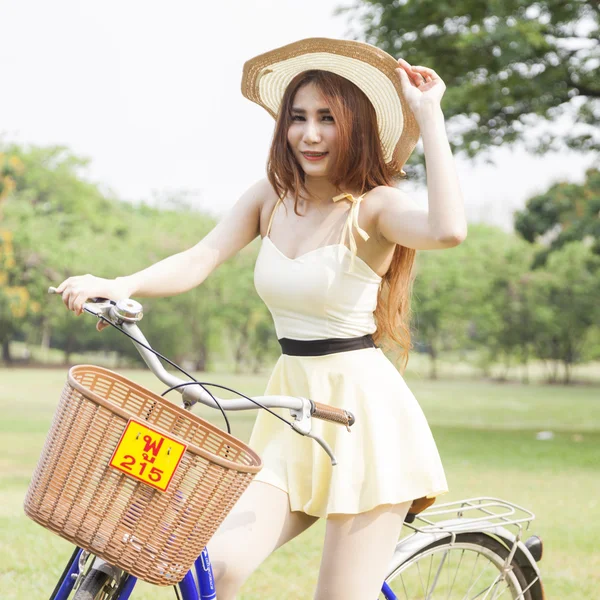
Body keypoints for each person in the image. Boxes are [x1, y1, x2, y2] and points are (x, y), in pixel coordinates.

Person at [56, 38, 466, 600]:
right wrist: (121, 283)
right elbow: (199, 258)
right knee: (214, 569)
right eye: (298, 118)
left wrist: (429, 116)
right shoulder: (272, 197)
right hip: (288, 415)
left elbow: (448, 230)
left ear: (357, 127)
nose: (310, 133)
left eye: (327, 118)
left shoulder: (374, 206)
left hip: (363, 421)